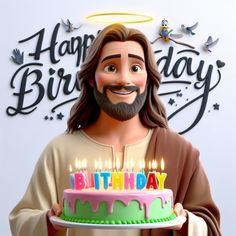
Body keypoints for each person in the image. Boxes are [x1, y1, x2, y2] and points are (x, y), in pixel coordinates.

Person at [9, 23, 221, 236]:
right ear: (92, 78)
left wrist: (184, 223)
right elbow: (22, 220)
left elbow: (209, 226)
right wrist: (48, 221)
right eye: (111, 68)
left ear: (148, 79)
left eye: (135, 68)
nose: (124, 79)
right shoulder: (59, 150)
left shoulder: (179, 152)